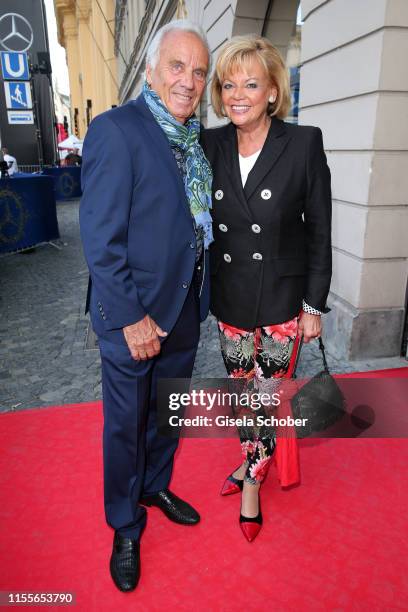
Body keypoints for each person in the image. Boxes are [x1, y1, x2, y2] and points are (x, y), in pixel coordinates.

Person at [79, 20, 212, 591]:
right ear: (153, 70)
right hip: (133, 315)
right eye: (178, 66)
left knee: (166, 416)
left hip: (185, 308)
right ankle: (125, 524)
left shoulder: (196, 141)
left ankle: (155, 485)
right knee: (126, 426)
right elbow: (100, 241)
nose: (189, 80)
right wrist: (132, 319)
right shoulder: (117, 131)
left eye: (199, 71)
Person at [201, 36, 332, 542]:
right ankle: (253, 463)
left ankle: (252, 481)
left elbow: (319, 228)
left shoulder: (302, 143)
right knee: (243, 394)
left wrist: (313, 305)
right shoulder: (208, 144)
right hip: (231, 297)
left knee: (264, 395)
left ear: (273, 92)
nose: (238, 94)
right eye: (229, 83)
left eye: (251, 83)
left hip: (281, 301)